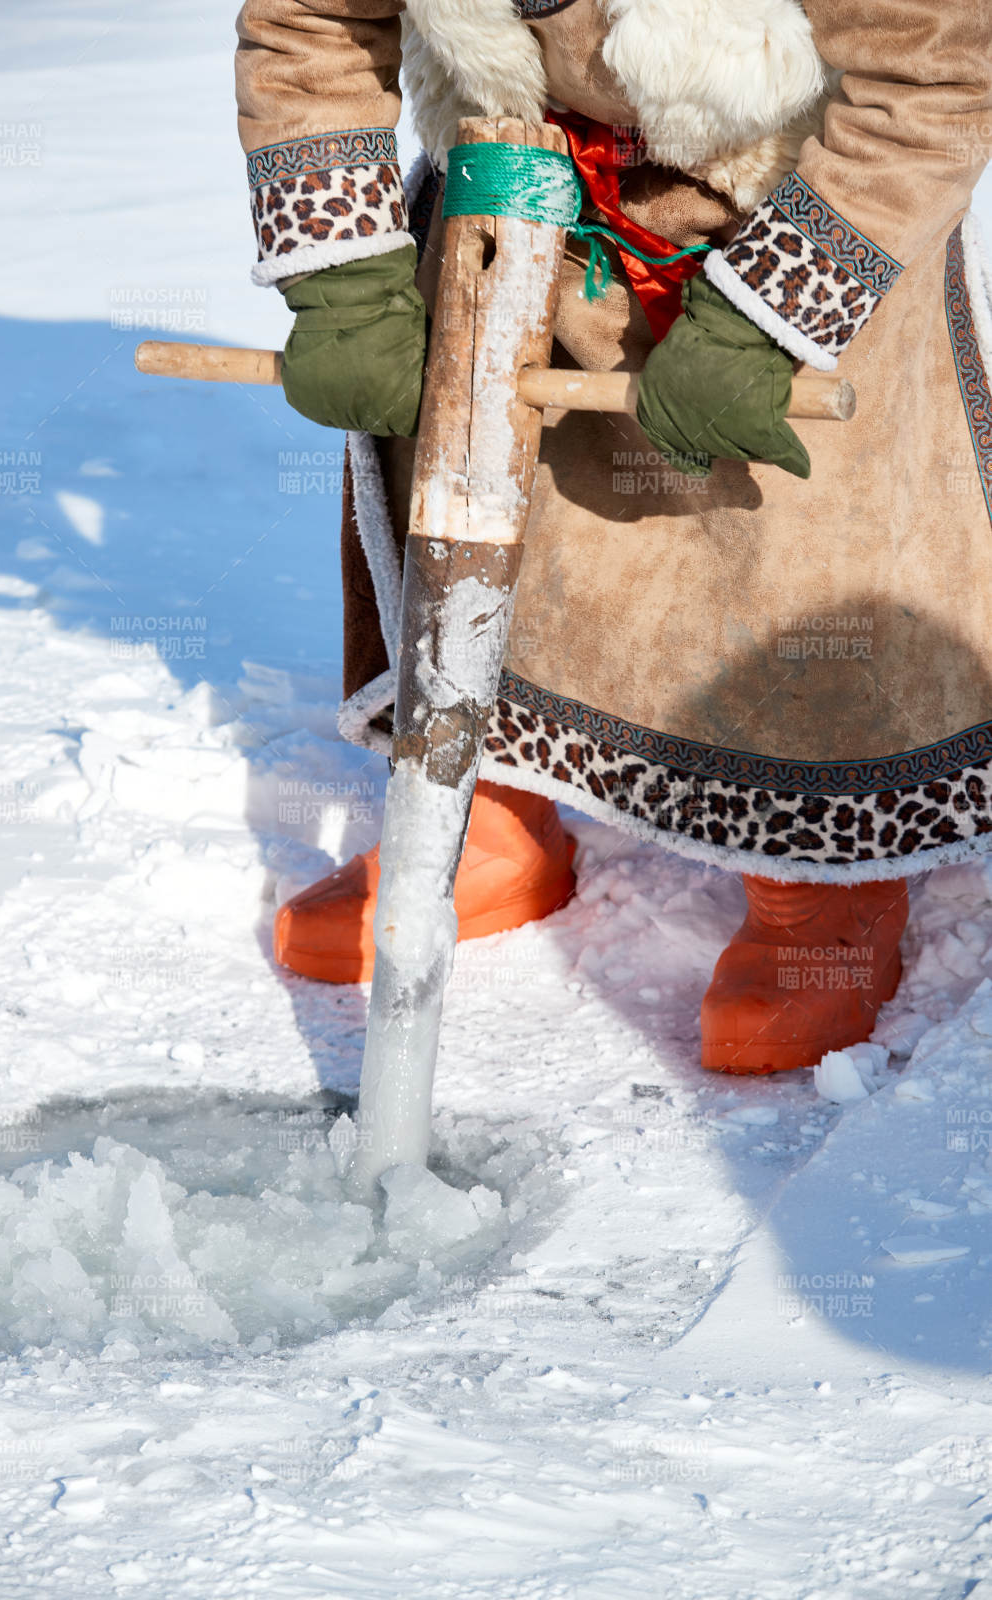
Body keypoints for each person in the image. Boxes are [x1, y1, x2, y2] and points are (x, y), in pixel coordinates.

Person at [235, 0, 992, 1072]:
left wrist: (770, 313)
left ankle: (817, 880)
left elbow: (934, 73)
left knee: (788, 546)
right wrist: (342, 273)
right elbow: (310, 22)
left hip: (791, 195)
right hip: (514, 183)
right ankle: (486, 805)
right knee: (495, 511)